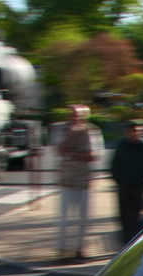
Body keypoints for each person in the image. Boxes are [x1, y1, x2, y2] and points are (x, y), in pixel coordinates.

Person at [54, 104, 101, 262]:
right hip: (67, 178)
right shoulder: (61, 130)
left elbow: (93, 155)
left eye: (78, 115)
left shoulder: (91, 131)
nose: (75, 118)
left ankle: (80, 248)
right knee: (64, 217)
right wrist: (69, 137)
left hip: (83, 178)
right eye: (72, 114)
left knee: (83, 217)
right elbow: (59, 150)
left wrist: (73, 155)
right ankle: (62, 249)